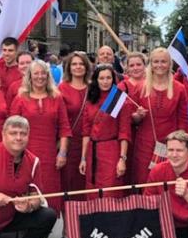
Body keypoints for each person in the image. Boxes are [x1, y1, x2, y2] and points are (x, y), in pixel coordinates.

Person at [9, 60, 71, 238]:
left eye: (43, 73)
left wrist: (62, 153)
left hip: (50, 155)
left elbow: (64, 128)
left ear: (48, 75)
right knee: (28, 192)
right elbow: (12, 128)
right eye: (35, 74)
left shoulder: (56, 97)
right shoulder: (20, 98)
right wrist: (14, 154)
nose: (39, 77)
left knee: (49, 193)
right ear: (29, 76)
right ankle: (30, 234)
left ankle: (42, 233)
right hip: (26, 153)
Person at [131, 48, 188, 184]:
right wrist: (137, 116)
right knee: (144, 181)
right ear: (150, 64)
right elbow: (131, 118)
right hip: (144, 144)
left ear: (169, 64)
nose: (159, 65)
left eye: (163, 61)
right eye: (155, 61)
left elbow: (183, 120)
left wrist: (179, 145)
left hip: (170, 145)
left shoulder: (179, 88)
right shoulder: (141, 87)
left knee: (167, 182)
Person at [79, 64, 132, 198]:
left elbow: (124, 133)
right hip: (92, 152)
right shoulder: (90, 101)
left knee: (110, 192)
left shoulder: (119, 100)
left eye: (108, 78)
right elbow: (86, 132)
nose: (105, 81)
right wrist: (83, 158)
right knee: (92, 194)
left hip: (111, 152)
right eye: (101, 78)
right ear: (96, 80)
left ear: (113, 80)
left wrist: (122, 159)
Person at [58, 52, 91, 204]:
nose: (78, 67)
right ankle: (70, 223)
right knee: (70, 183)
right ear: (69, 68)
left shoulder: (94, 87)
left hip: (91, 142)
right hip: (70, 144)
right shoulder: (61, 88)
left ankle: (86, 222)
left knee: (88, 183)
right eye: (74, 64)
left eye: (81, 64)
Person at [118, 52, 148, 184]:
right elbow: (113, 115)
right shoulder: (121, 87)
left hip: (147, 135)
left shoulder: (152, 84)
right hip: (127, 136)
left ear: (144, 66)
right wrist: (133, 117)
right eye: (132, 65)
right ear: (127, 68)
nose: (135, 68)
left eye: (139, 64)